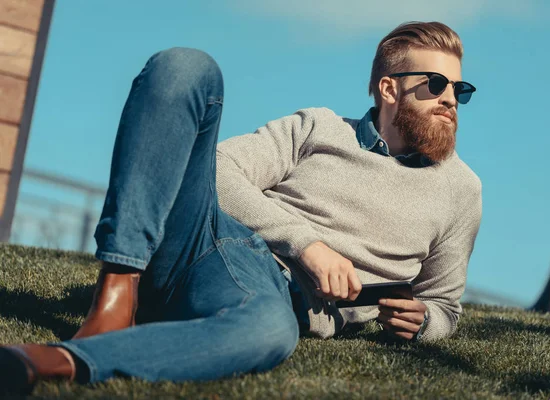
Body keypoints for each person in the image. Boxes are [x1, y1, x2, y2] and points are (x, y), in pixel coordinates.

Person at [0, 21, 481, 394]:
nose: (450, 100)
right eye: (436, 84)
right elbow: (219, 168)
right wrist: (307, 244)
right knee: (187, 67)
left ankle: (50, 361)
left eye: (459, 90)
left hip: (271, 296)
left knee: (268, 331)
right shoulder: (319, 126)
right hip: (204, 238)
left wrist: (423, 324)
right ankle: (115, 293)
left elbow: (443, 305)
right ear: (389, 88)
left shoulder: (461, 190)